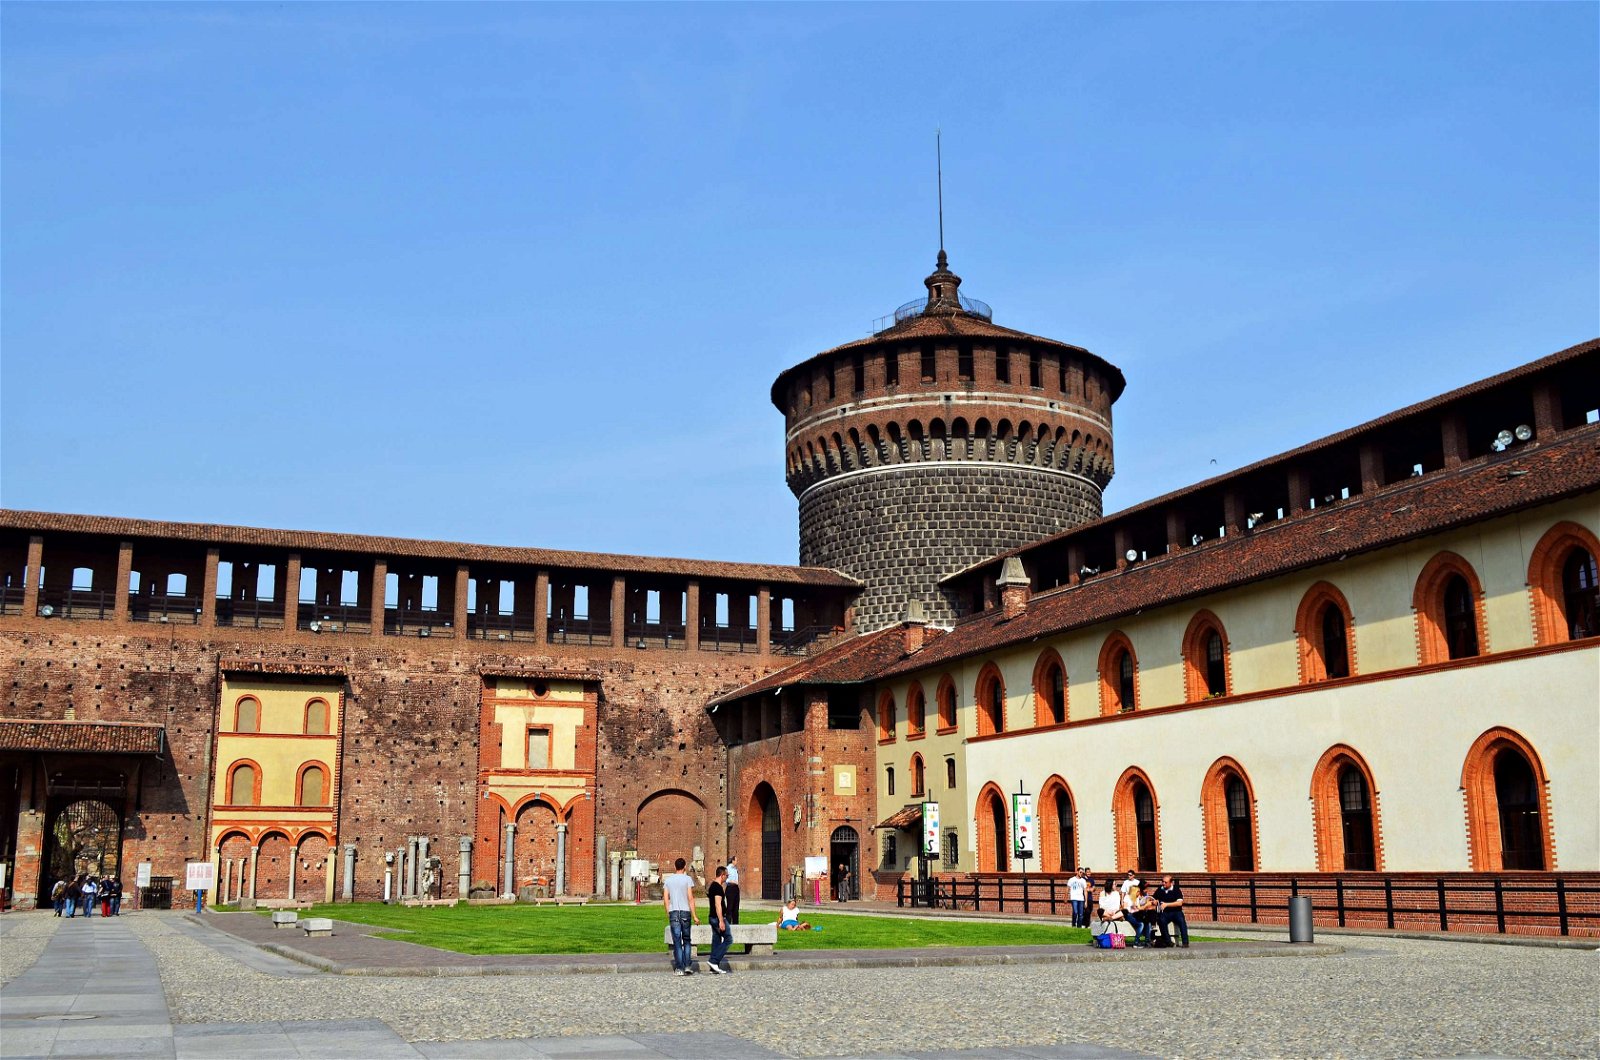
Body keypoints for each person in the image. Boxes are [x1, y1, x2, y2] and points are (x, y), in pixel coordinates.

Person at [662, 857, 699, 976]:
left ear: (675, 866)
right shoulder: (687, 879)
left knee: (677, 941)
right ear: (684, 867)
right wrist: (695, 916)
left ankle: (679, 968)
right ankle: (687, 965)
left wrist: (668, 911)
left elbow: (666, 898)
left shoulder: (669, 880)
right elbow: (690, 898)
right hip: (685, 911)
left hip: (674, 911)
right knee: (687, 940)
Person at [705, 865, 733, 974]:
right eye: (726, 875)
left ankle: (714, 965)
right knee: (728, 939)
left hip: (712, 917)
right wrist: (721, 920)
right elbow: (718, 905)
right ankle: (714, 960)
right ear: (722, 875)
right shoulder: (717, 887)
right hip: (717, 918)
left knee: (716, 940)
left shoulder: (713, 886)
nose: (727, 878)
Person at [1154, 874, 1189, 948]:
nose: (1163, 883)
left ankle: (1185, 942)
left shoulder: (1176, 890)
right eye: (1162, 882)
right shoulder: (1160, 889)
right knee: (1161, 921)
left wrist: (1167, 904)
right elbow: (1154, 898)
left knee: (1181, 922)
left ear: (1171, 883)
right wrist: (1154, 901)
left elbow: (1179, 903)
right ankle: (1168, 942)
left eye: (1165, 882)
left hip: (1176, 912)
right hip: (1165, 913)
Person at [724, 855, 741, 924]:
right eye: (736, 860)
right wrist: (732, 881)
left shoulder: (735, 869)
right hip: (730, 888)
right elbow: (726, 879)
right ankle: (728, 923)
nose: (737, 862)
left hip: (736, 888)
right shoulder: (727, 869)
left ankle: (736, 923)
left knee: (736, 907)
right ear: (733, 861)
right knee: (730, 907)